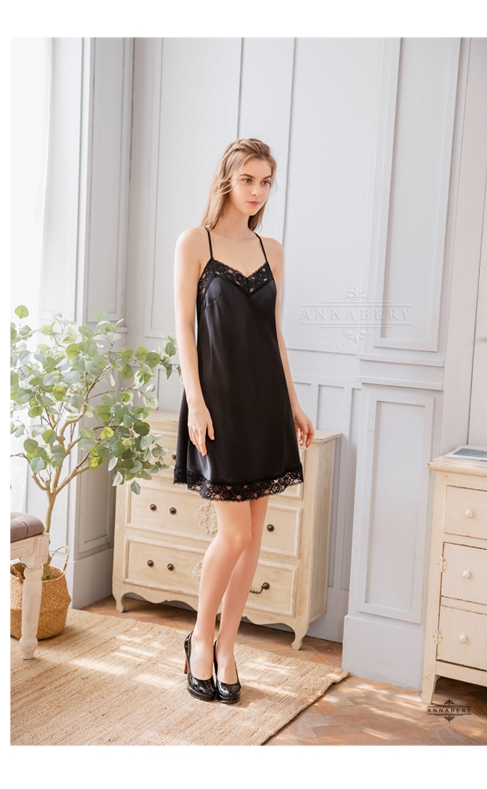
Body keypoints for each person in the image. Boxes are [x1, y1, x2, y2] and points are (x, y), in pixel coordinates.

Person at [173, 139, 314, 703]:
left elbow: (274, 334)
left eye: (266, 182)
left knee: (252, 538)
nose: (258, 191)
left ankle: (227, 647)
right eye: (248, 179)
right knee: (233, 533)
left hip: (266, 403)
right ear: (227, 180)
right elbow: (184, 327)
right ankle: (199, 640)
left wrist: (295, 404)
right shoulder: (195, 242)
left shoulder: (271, 249)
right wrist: (196, 400)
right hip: (219, 402)